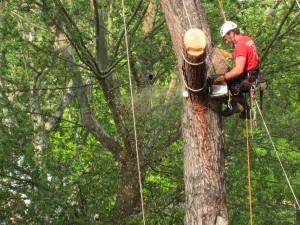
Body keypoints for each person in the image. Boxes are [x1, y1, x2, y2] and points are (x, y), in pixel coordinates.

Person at [214, 21, 260, 119]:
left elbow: (238, 70)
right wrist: (227, 55)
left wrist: (222, 78)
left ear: (231, 33)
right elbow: (242, 56)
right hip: (253, 74)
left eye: (226, 38)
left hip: (248, 79)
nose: (226, 41)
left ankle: (234, 106)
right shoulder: (246, 39)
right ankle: (242, 108)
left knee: (219, 84)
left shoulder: (240, 46)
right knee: (226, 79)